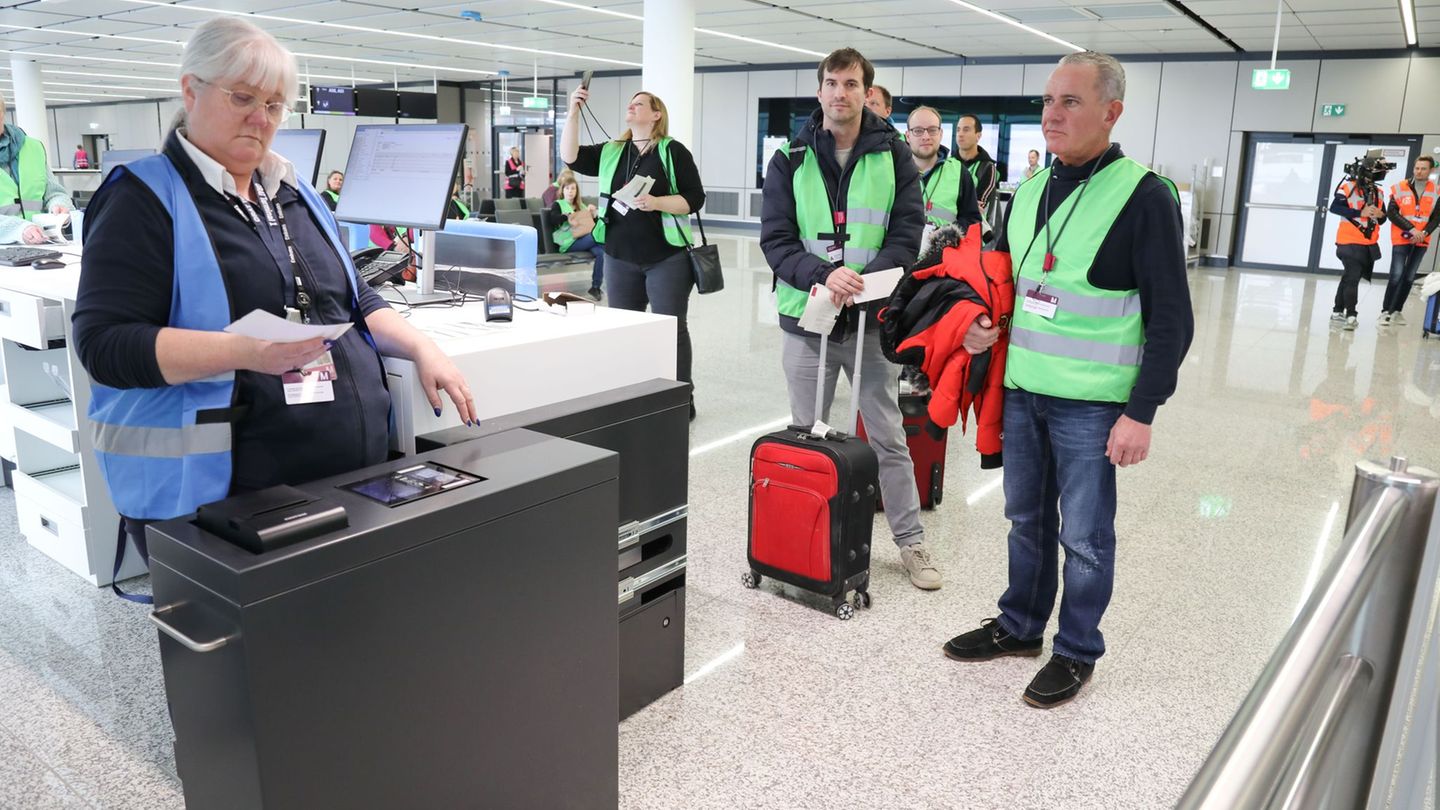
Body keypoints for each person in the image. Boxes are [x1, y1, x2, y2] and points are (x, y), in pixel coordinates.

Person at [73, 17, 476, 569]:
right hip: (222, 497)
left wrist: (422, 347)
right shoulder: (142, 198)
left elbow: (354, 299)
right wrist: (245, 353)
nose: (260, 118)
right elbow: (105, 346)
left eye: (275, 104)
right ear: (191, 90)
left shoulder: (294, 191)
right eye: (243, 97)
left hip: (342, 479)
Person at [942, 51, 1194, 708]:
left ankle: (1077, 650)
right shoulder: (1025, 192)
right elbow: (1007, 289)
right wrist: (977, 329)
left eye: (1071, 102)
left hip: (1094, 405)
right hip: (1024, 390)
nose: (1053, 114)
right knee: (1024, 518)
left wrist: (1144, 410)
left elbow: (1172, 318)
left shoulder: (1143, 196)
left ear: (1111, 112)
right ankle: (1021, 626)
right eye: (1049, 101)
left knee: (1083, 535)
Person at [760, 47, 939, 591]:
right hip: (807, 321)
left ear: (868, 93)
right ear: (820, 92)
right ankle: (805, 539)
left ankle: (912, 545)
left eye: (852, 84)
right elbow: (776, 240)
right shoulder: (789, 158)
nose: (841, 92)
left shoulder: (895, 157)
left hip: (868, 321)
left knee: (887, 438)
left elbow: (907, 235)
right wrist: (822, 275)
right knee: (808, 438)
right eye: (832, 83)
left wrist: (861, 282)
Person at [561, 87, 706, 419]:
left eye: (640, 103)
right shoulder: (614, 150)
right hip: (618, 255)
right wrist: (572, 112)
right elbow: (571, 156)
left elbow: (695, 198)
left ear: (656, 114)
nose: (632, 105)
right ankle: (633, 392)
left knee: (672, 329)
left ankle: (683, 396)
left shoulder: (672, 151)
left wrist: (656, 203)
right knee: (628, 328)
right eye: (630, 102)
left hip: (666, 258)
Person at [0, 92, 76, 245]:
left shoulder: (32, 147)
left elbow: (54, 193)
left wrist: (60, 205)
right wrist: (18, 229)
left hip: (42, 244)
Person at [1329, 154, 1390, 331]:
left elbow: (1382, 219)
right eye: (1380, 170)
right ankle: (1351, 315)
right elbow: (1334, 208)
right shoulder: (1347, 186)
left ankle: (1336, 311)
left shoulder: (1379, 192)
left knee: (1349, 276)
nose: (1382, 173)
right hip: (1348, 241)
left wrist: (1380, 215)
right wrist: (1359, 212)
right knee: (1353, 277)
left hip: (1367, 242)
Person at [907, 105, 981, 247]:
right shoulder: (894, 171)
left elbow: (972, 220)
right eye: (918, 131)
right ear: (908, 136)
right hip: (900, 259)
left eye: (932, 130)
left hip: (943, 261)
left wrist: (950, 233)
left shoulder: (959, 172)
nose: (926, 136)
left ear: (940, 134)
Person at [1381, 155, 1439, 326]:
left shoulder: (1436, 190)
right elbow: (1392, 213)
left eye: (1423, 168)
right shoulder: (1400, 187)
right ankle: (1385, 312)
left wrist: (1424, 231)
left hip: (1422, 240)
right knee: (1396, 276)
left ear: (1431, 170)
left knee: (1409, 277)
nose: (1419, 171)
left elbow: (1436, 217)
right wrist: (1411, 229)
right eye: (1417, 168)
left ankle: (1397, 311)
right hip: (1402, 238)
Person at [550, 176, 605, 300]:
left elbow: (591, 223)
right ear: (562, 190)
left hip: (584, 241)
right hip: (568, 243)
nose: (570, 191)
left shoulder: (581, 206)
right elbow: (553, 219)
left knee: (601, 253)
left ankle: (595, 287)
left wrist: (593, 214)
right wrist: (568, 216)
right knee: (596, 238)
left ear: (576, 191)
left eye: (573, 189)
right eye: (567, 188)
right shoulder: (558, 204)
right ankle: (615, 254)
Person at [955, 113, 998, 214]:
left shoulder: (987, 167)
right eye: (958, 130)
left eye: (966, 130)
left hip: (973, 227)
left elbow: (979, 206)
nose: (960, 134)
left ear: (978, 136)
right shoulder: (947, 164)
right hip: (943, 226)